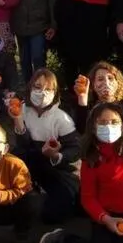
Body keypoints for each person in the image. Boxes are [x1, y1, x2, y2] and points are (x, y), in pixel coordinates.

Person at [36, 50, 123, 243]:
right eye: (102, 123)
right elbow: (88, 197)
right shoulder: (91, 156)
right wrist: (106, 219)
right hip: (105, 214)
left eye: (113, 122)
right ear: (93, 127)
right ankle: (64, 238)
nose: (108, 127)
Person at [9, 69, 81, 224]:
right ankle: (29, 190)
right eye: (38, 87)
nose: (42, 93)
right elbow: (23, 146)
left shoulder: (62, 118)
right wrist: (18, 120)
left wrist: (56, 155)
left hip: (55, 169)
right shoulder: (22, 110)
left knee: (54, 214)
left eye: (48, 89)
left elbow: (75, 149)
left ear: (55, 93)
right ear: (30, 88)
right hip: (29, 163)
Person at [73, 61, 123, 136]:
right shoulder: (91, 107)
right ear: (93, 85)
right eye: (100, 79)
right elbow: (82, 130)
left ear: (118, 83)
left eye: (110, 78)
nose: (106, 83)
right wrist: (82, 98)